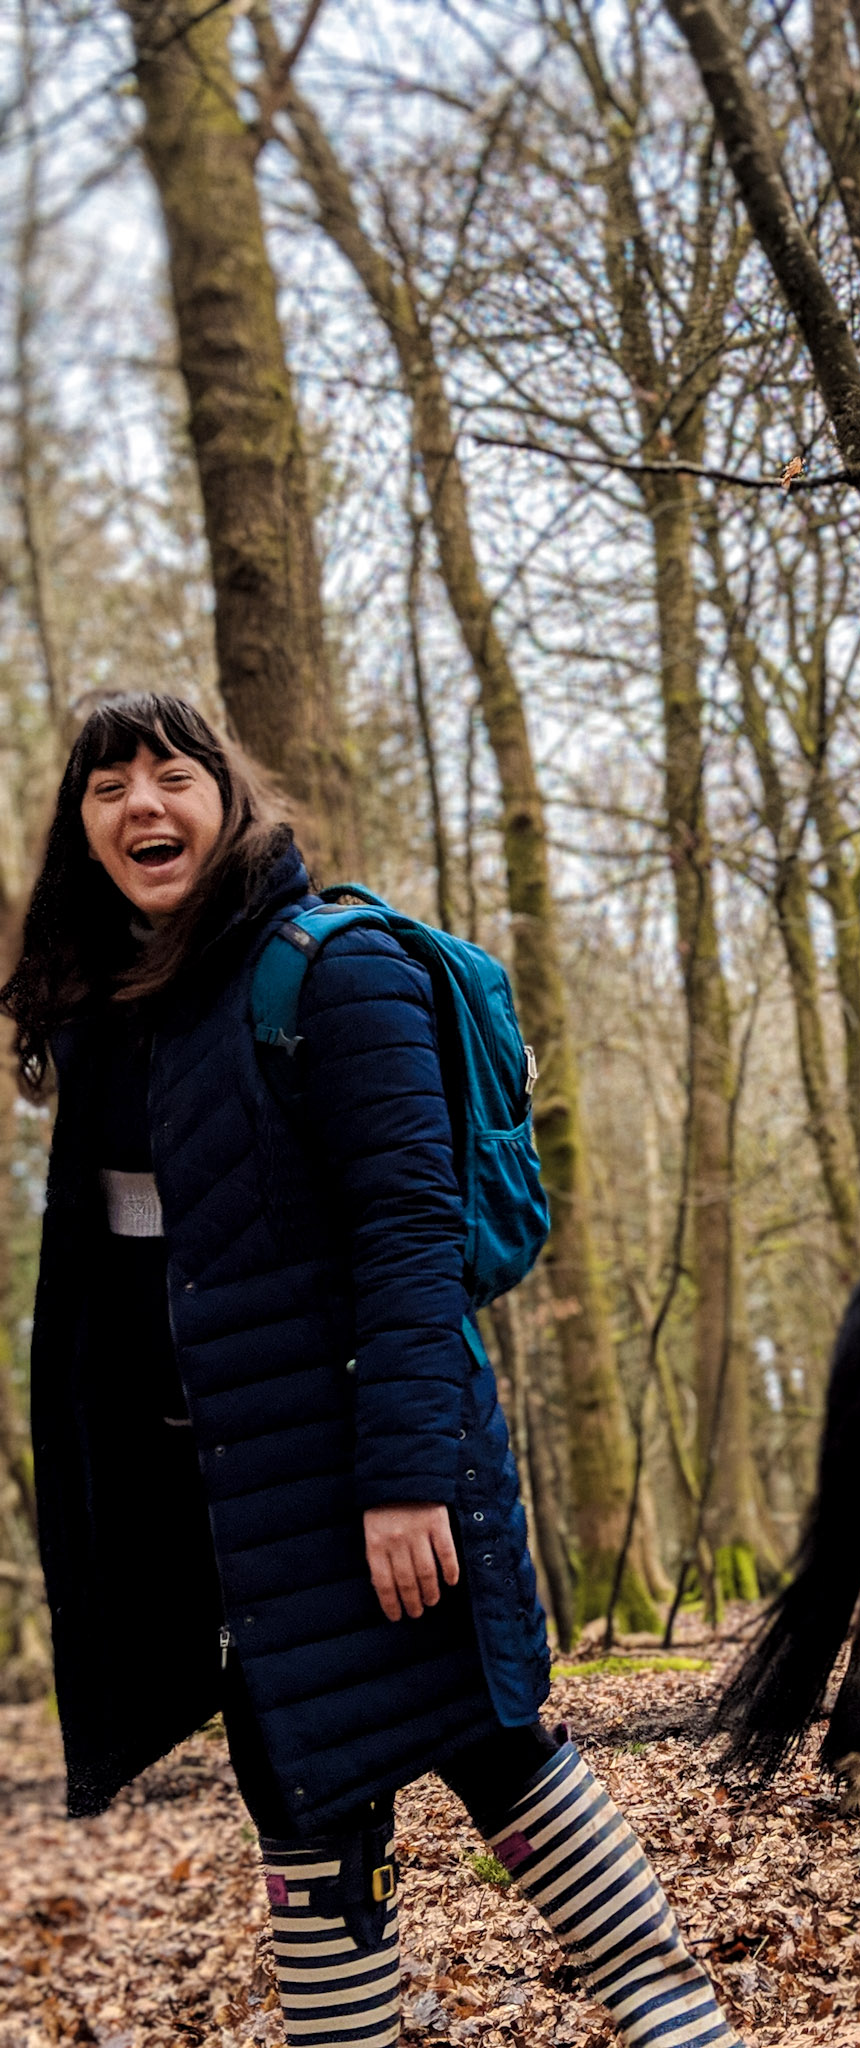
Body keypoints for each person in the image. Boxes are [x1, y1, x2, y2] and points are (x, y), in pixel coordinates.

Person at [3, 694, 743, 2048]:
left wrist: (404, 1482)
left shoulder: (338, 971)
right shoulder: (126, 1026)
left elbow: (414, 1239)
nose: (142, 806)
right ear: (82, 828)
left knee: (496, 1751)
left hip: (382, 1479)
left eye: (172, 774)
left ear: (230, 798)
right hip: (235, 1516)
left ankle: (677, 2020)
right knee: (298, 1803)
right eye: (108, 787)